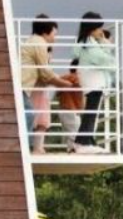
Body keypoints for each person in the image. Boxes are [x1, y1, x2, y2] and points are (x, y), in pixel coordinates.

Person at [19, 16, 72, 146]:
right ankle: (24, 147)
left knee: (28, 113)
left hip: (24, 84)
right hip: (23, 84)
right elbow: (45, 73)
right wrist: (63, 83)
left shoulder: (33, 41)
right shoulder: (39, 43)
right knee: (29, 114)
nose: (55, 38)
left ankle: (25, 146)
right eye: (54, 34)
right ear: (45, 32)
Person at [72, 12, 115, 154]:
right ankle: (83, 143)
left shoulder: (84, 43)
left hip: (90, 82)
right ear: (91, 28)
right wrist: (106, 45)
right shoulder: (90, 46)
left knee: (90, 113)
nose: (101, 31)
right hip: (94, 83)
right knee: (91, 113)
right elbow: (106, 61)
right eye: (98, 28)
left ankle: (84, 141)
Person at [57, 62, 84, 153]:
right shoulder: (75, 77)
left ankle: (71, 151)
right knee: (75, 136)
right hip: (71, 111)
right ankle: (74, 151)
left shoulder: (65, 78)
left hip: (64, 110)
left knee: (71, 137)